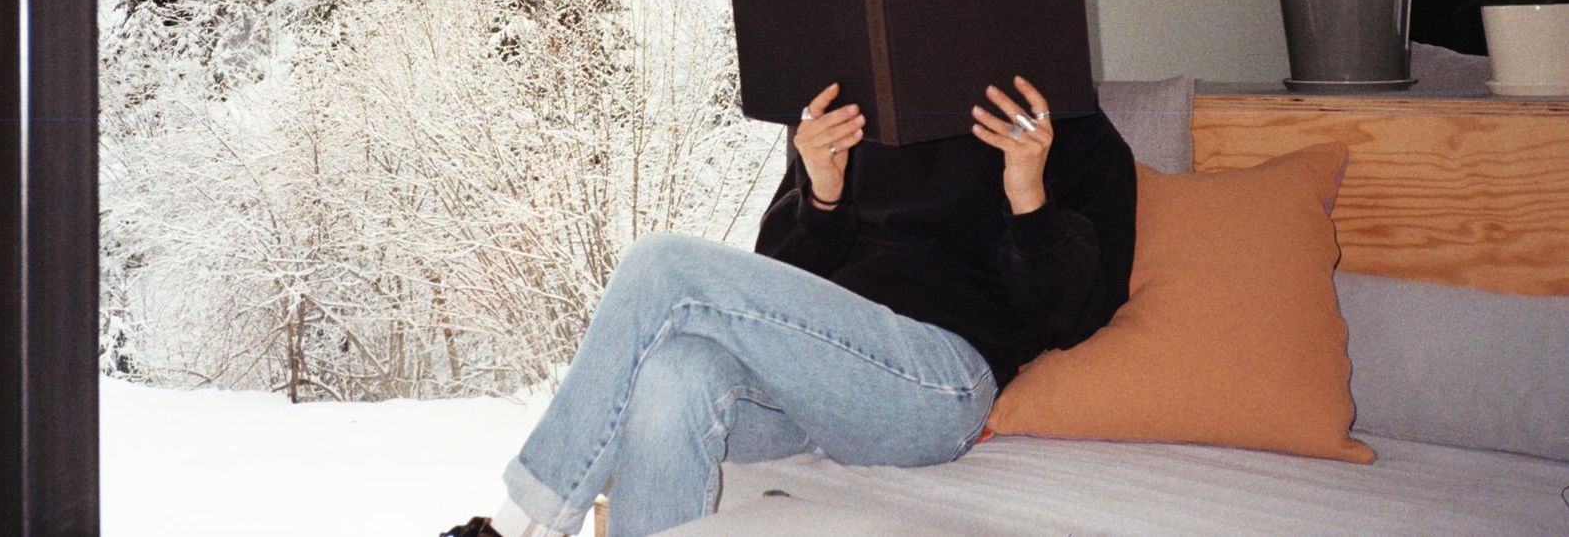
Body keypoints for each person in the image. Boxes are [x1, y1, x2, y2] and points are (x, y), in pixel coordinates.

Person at [443, 75, 1136, 537]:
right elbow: (770, 288)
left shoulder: (1064, 122)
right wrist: (824, 192)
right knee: (675, 372)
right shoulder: (862, 109)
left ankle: (515, 525)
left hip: (934, 383)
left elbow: (1075, 316)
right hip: (821, 383)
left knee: (661, 265)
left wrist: (1027, 193)